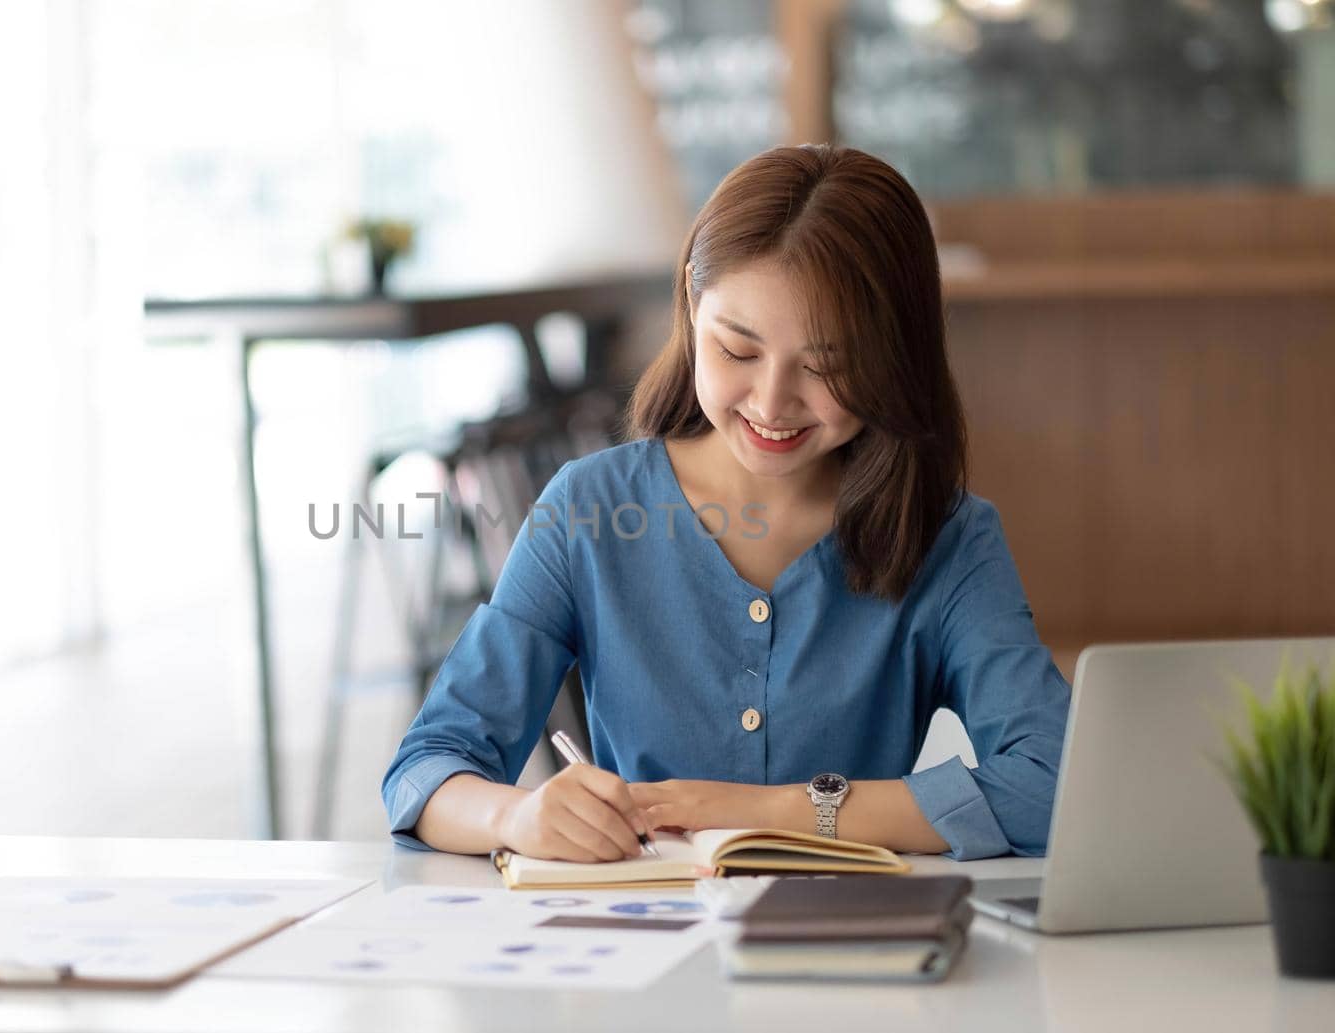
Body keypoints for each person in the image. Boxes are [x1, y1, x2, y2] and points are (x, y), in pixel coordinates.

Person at [381, 144, 1069, 863]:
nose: (772, 402)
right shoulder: (588, 510)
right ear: (690, 303)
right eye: (738, 351)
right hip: (639, 946)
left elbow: (1051, 785)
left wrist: (773, 811)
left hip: (859, 952)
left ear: (895, 357)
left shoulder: (951, 538)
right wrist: (516, 816)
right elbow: (426, 770)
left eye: (828, 366)